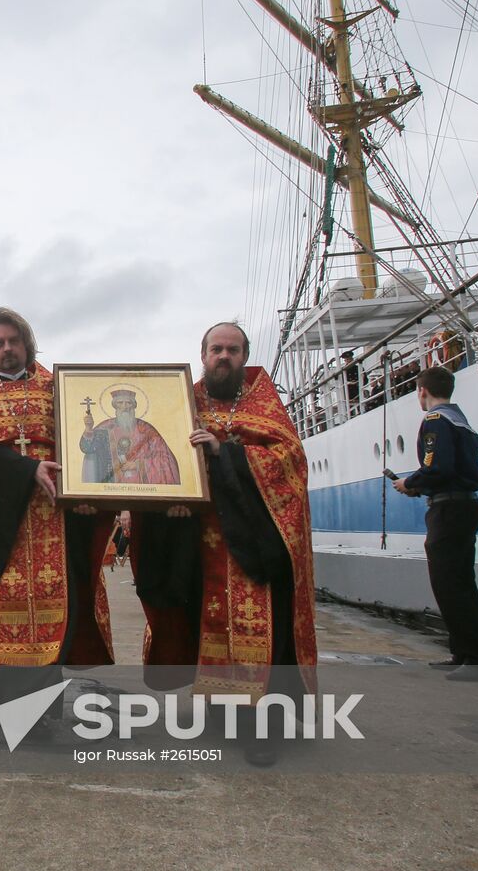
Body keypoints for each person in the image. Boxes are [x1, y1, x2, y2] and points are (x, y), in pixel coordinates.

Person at [131, 322, 318, 766]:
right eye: (216, 349)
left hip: (251, 544)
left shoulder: (263, 403)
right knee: (203, 625)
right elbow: (158, 462)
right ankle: (220, 708)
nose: (224, 357)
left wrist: (224, 452)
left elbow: (289, 463)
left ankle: (260, 727)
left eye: (233, 350)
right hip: (195, 542)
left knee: (254, 632)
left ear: (245, 355)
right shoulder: (182, 401)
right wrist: (169, 505)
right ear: (203, 354)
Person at [0, 308, 114, 714]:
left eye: (12, 341)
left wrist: (90, 488)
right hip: (2, 525)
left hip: (57, 519)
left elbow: (84, 442)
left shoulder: (57, 389)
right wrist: (26, 468)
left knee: (59, 606)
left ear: (27, 345)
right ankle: (3, 698)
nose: (6, 349)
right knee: (2, 608)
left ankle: (43, 698)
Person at [393, 366, 478, 680]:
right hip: (463, 505)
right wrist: (422, 485)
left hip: (448, 509)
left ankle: (477, 659)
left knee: (449, 585)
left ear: (422, 391)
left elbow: (438, 468)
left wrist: (410, 483)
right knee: (461, 583)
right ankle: (465, 652)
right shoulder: (461, 421)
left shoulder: (436, 421)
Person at [79, 388, 180, 485]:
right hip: (111, 488)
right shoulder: (106, 428)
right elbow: (87, 448)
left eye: (128, 403)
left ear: (134, 406)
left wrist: (138, 464)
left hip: (144, 491)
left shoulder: (146, 430)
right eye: (120, 403)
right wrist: (88, 429)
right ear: (115, 406)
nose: (124, 407)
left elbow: (166, 460)